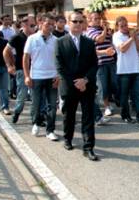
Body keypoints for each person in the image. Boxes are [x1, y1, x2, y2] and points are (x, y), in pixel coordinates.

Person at [56, 11, 99, 161]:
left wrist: (85, 80)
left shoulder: (89, 42)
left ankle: (88, 147)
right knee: (70, 115)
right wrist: (76, 82)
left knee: (88, 117)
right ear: (69, 23)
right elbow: (60, 67)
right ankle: (68, 138)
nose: (78, 25)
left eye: (81, 22)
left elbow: (94, 64)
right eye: (75, 21)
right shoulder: (60, 42)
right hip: (69, 85)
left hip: (87, 86)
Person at [23, 13, 59, 141]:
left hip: (52, 77)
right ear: (40, 24)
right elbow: (26, 58)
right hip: (36, 77)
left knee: (52, 106)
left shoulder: (55, 40)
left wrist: (58, 76)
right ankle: (36, 123)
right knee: (36, 104)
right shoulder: (32, 39)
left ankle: (50, 130)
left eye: (52, 25)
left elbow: (59, 60)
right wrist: (27, 76)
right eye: (47, 24)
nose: (50, 27)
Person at [112, 16, 139, 126]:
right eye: (121, 26)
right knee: (124, 95)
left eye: (125, 25)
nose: (124, 27)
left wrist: (135, 37)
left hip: (136, 69)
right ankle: (126, 115)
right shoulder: (116, 35)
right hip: (123, 71)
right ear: (118, 27)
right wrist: (132, 38)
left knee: (137, 94)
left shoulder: (133, 35)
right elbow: (122, 49)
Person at [4, 15, 36, 124]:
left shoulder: (36, 37)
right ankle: (17, 112)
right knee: (22, 95)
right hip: (21, 70)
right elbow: (6, 51)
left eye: (34, 25)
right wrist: (9, 65)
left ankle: (35, 117)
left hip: (35, 70)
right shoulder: (17, 37)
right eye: (31, 25)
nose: (33, 27)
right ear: (24, 25)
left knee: (34, 95)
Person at [86, 11, 116, 123]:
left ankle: (108, 103)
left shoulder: (104, 30)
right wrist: (104, 30)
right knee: (102, 86)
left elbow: (110, 41)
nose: (98, 20)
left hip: (111, 61)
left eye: (99, 18)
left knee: (113, 83)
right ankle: (106, 106)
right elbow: (100, 39)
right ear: (90, 20)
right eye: (96, 19)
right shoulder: (90, 31)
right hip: (100, 63)